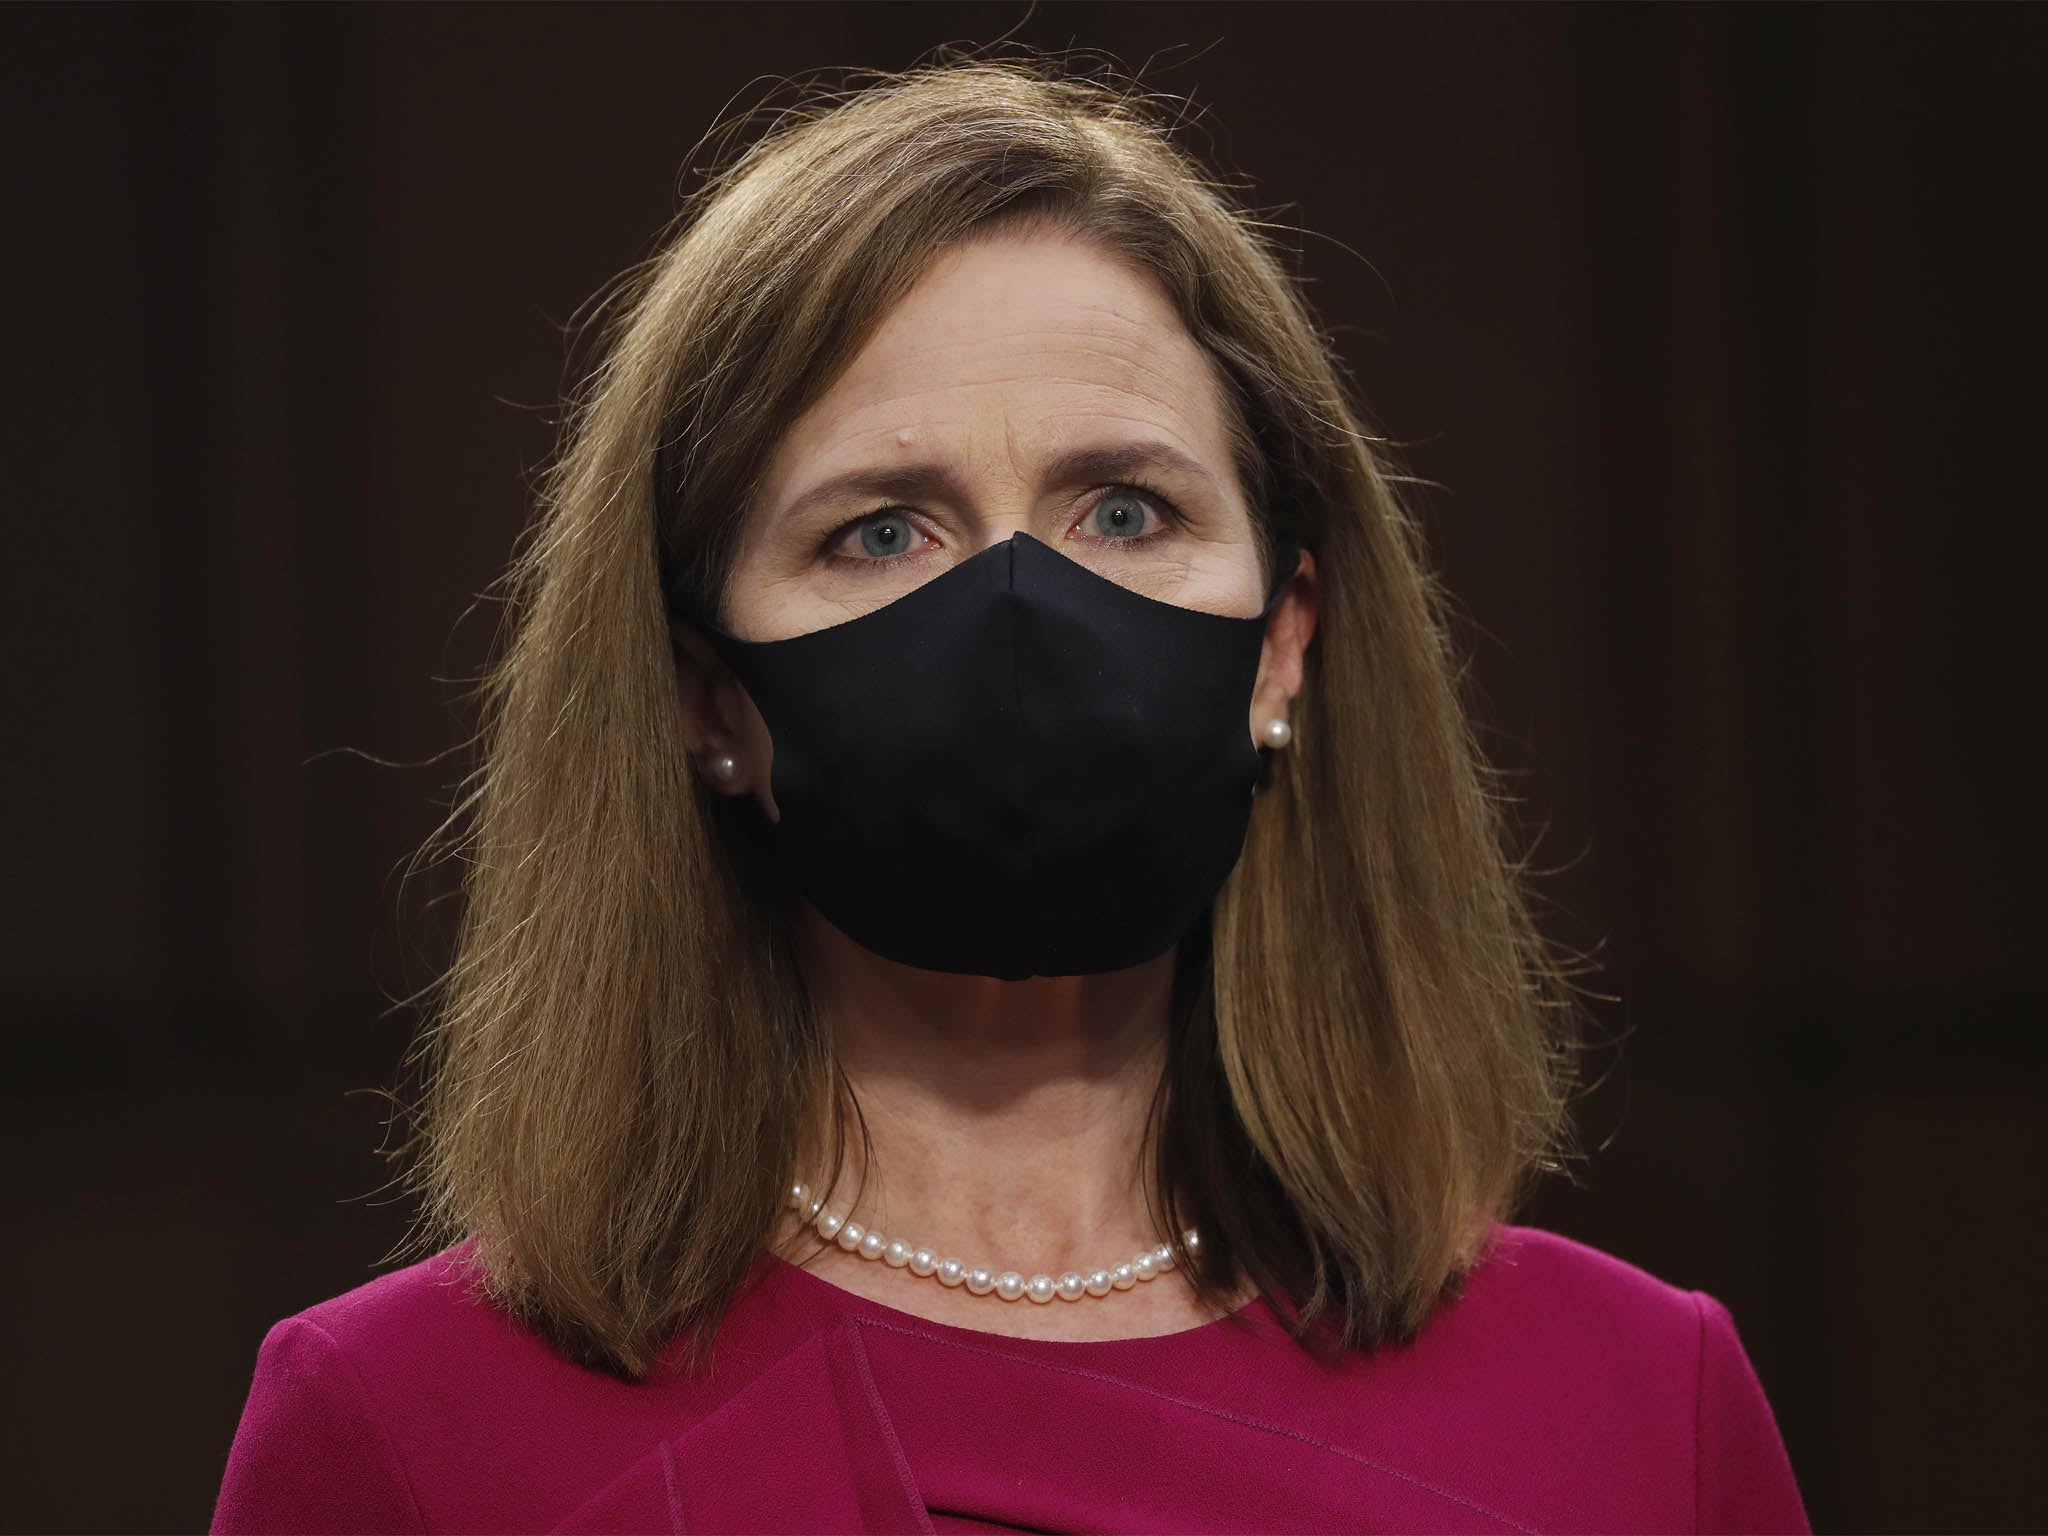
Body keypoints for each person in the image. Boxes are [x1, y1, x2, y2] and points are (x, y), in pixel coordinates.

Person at [211, 54, 1811, 1534]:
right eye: (881, 530)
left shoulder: (1632, 1404)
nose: (1027, 620)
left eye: (1124, 509)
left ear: (1284, 646)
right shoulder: (410, 1434)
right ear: (709, 699)